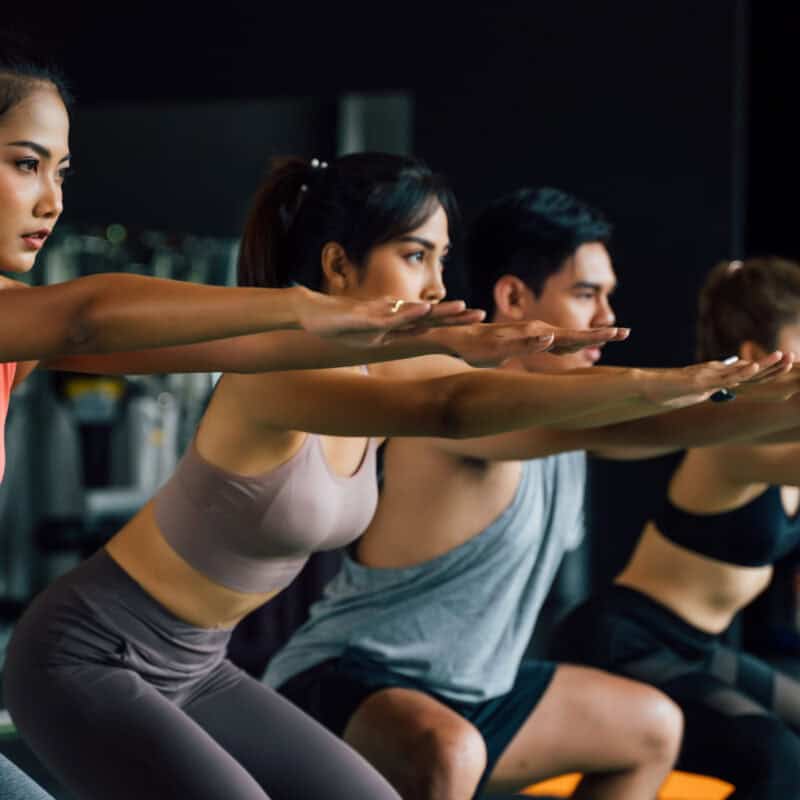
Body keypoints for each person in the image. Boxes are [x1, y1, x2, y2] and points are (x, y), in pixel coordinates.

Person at [3, 159, 765, 800]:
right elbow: (454, 405)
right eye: (414, 255)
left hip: (201, 664)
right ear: (338, 264)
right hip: (91, 651)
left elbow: (567, 422)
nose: (436, 286)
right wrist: (653, 387)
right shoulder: (273, 369)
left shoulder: (387, 364)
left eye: (440, 258)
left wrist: (715, 397)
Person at [265, 188, 800, 800]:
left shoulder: (572, 425)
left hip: (482, 691)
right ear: (514, 297)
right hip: (350, 679)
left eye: (606, 294)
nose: (605, 317)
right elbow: (655, 422)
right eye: (584, 294)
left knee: (652, 727)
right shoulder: (470, 409)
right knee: (449, 752)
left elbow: (666, 427)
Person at [552, 257, 800, 799]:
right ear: (759, 358)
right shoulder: (736, 446)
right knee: (778, 758)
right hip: (625, 639)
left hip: (695, 647)